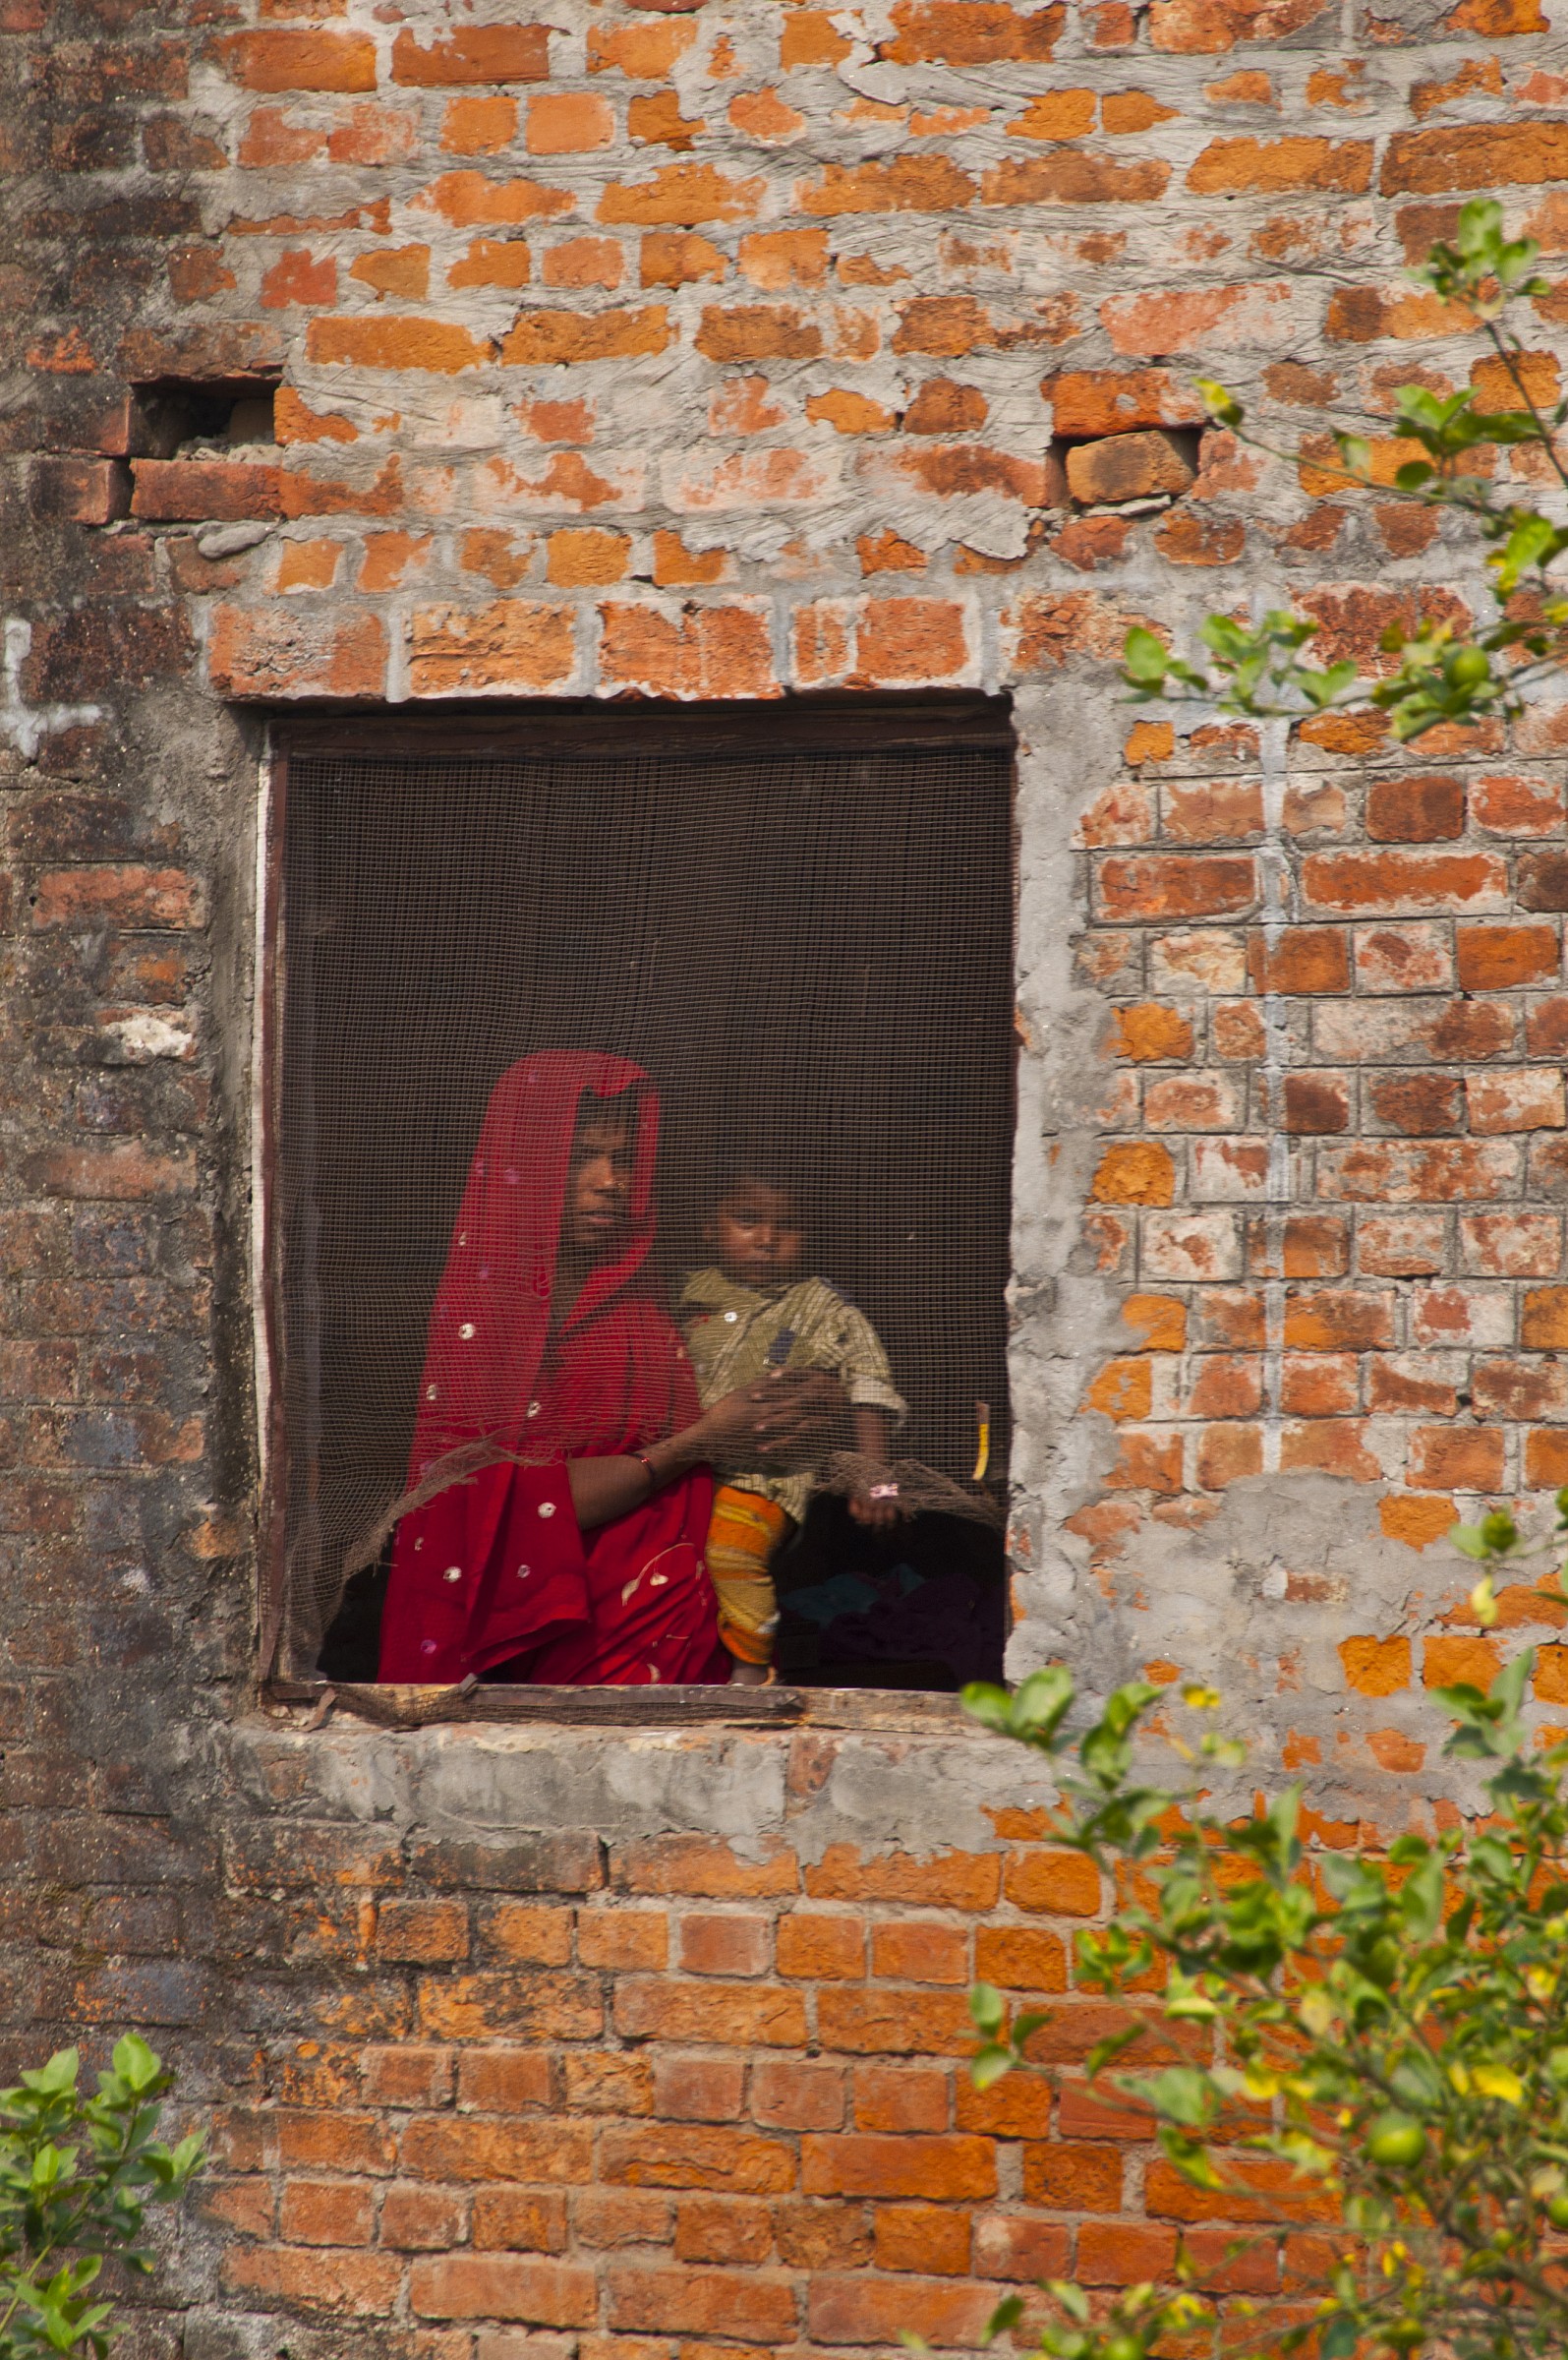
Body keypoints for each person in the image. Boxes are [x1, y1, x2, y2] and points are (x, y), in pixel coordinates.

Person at [377, 1054, 838, 1686]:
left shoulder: (648, 1303)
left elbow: (732, 1389)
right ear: (527, 1170)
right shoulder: (491, 1323)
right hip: (573, 1655)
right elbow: (505, 1509)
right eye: (581, 1159)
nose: (611, 1181)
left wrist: (805, 1395)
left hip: (687, 1629)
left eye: (623, 1160)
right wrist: (699, 1444)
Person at [678, 1154, 907, 1685]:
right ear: (711, 1229)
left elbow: (868, 1386)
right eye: (747, 1219)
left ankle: (753, 1671)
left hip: (765, 1478)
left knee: (731, 1554)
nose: (767, 1238)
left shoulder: (826, 1309)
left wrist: (879, 1481)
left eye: (789, 1226)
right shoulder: (687, 1295)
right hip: (686, 1467)